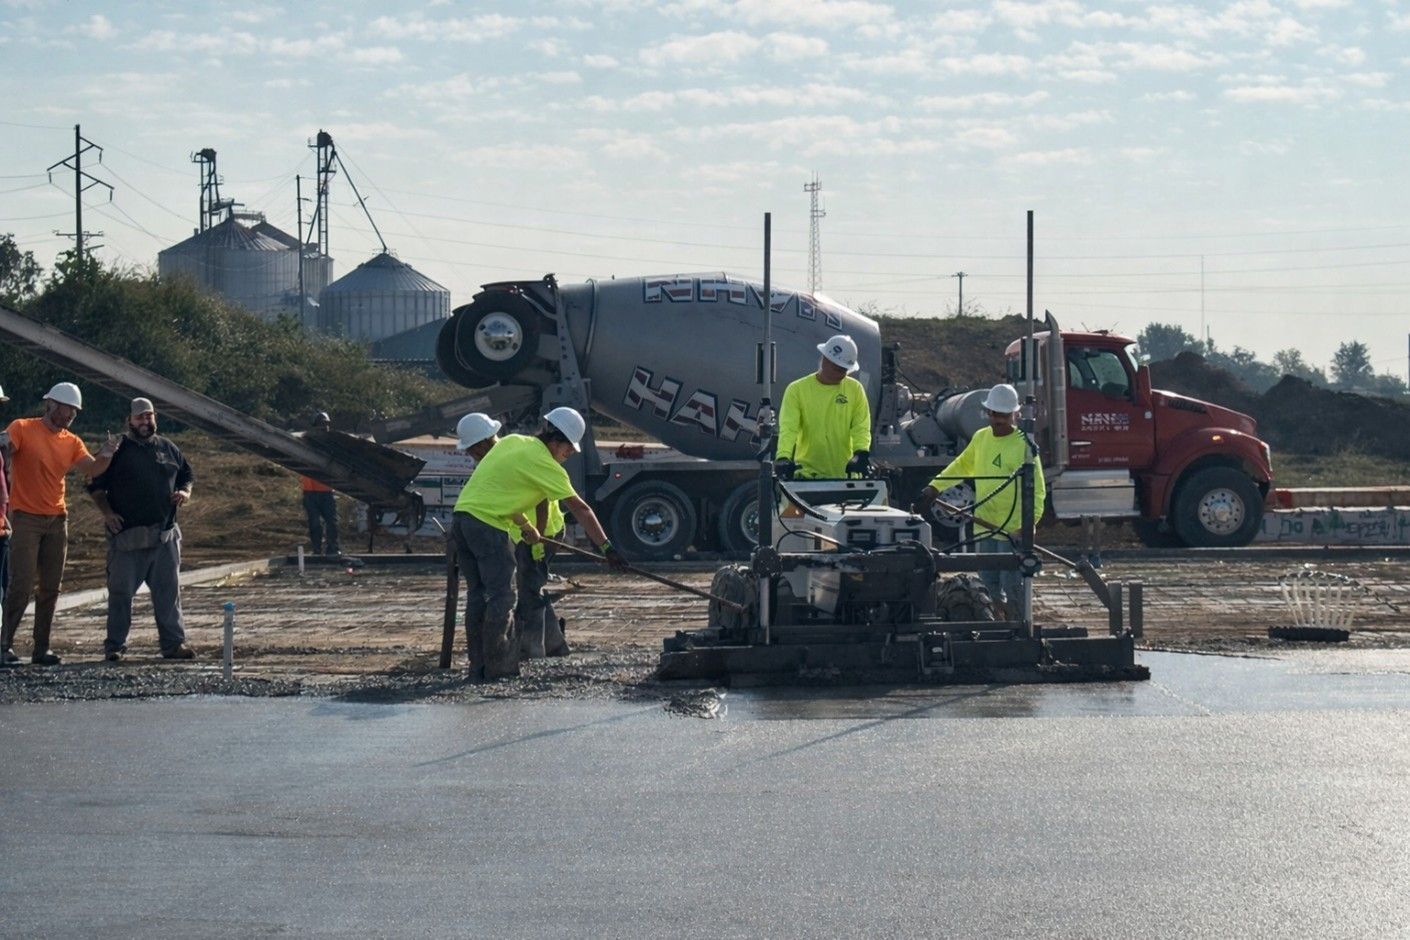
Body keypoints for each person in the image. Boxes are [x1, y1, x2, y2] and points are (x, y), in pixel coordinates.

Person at [451, 407, 626, 681]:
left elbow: (498, 493)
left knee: (478, 595)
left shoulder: (511, 441)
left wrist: (526, 526)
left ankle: (478, 667)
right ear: (557, 441)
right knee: (502, 597)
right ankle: (499, 669)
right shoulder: (545, 463)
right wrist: (608, 549)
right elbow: (581, 510)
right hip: (489, 526)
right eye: (568, 451)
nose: (567, 457)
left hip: (462, 519)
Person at [1, 382, 117, 666]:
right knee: (22, 584)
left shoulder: (71, 441)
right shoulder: (22, 428)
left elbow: (91, 468)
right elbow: (6, 448)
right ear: (50, 405)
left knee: (51, 587)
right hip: (25, 517)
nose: (70, 417)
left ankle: (42, 649)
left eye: (74, 413)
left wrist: (106, 454)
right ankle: (4, 646)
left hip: (57, 519)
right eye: (67, 410)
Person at [911, 383, 1047, 618]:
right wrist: (935, 487)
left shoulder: (1023, 445)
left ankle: (1019, 629)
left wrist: (1028, 524)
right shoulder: (981, 438)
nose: (998, 420)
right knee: (988, 586)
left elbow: (1037, 490)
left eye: (1003, 415)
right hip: (985, 525)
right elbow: (962, 466)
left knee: (1012, 586)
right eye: (994, 414)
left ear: (1013, 414)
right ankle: (994, 626)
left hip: (1011, 530)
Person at [88, 398, 195, 661]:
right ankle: (115, 646)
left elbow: (187, 476)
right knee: (121, 595)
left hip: (164, 535)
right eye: (139, 418)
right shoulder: (118, 449)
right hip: (126, 538)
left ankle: (173, 645)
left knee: (168, 593)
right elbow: (94, 484)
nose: (145, 422)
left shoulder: (168, 447)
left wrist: (184, 492)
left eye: (149, 417)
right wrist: (107, 513)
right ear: (129, 420)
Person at [775, 333, 872, 479]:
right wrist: (783, 456)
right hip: (807, 476)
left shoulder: (855, 390)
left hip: (846, 477)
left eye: (845, 369)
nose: (842, 374)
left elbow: (861, 427)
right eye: (838, 368)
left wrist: (861, 453)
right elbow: (789, 428)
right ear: (825, 360)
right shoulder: (797, 390)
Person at [299, 411, 340, 557]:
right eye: (322, 424)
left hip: (326, 490)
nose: (325, 427)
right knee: (314, 523)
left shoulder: (331, 443)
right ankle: (317, 549)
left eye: (327, 424)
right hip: (310, 491)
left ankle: (333, 549)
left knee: (332, 523)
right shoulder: (307, 441)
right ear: (315, 426)